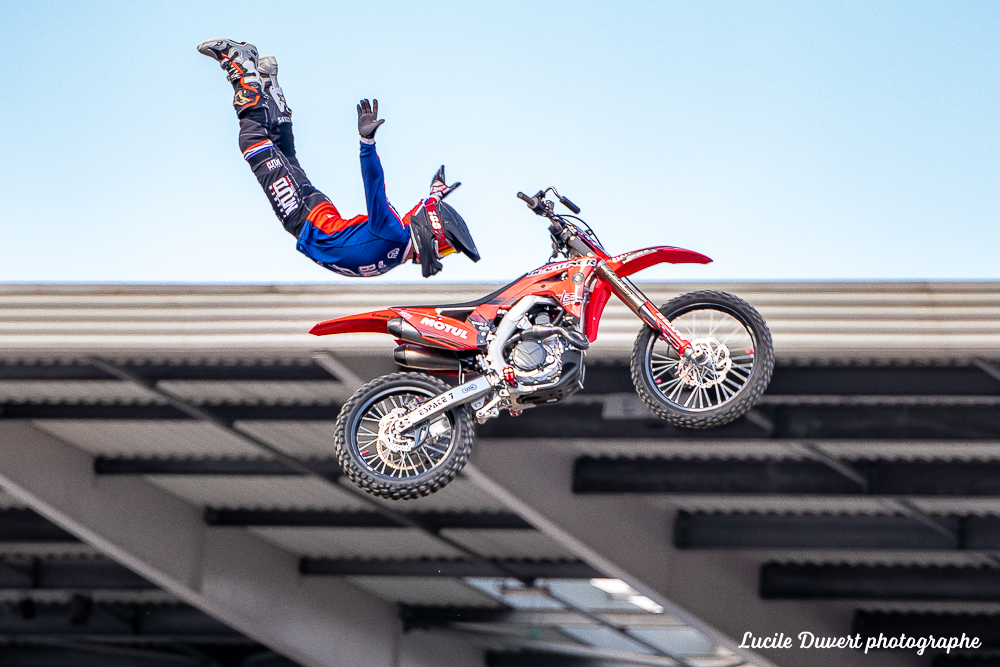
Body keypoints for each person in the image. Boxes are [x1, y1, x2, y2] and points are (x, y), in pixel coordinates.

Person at [197, 39, 479, 278]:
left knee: (285, 157)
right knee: (254, 144)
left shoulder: (400, 240)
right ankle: (241, 66)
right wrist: (367, 143)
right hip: (308, 221)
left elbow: (415, 218)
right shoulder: (394, 237)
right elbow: (375, 189)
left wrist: (435, 196)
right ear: (433, 232)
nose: (442, 252)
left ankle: (270, 85)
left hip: (318, 218)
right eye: (445, 247)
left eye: (447, 250)